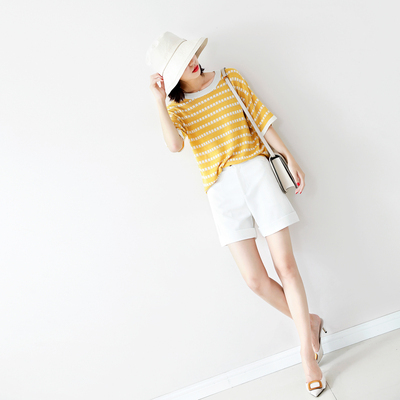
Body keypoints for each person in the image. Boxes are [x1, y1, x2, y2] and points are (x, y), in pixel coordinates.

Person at [146, 31, 327, 397]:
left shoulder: (229, 77)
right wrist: (158, 102)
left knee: (285, 267)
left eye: (190, 55)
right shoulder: (178, 108)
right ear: (172, 76)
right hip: (220, 192)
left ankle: (307, 357)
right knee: (255, 280)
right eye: (181, 64)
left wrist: (289, 156)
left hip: (256, 173)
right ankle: (309, 323)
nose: (192, 63)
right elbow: (175, 145)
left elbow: (261, 118)